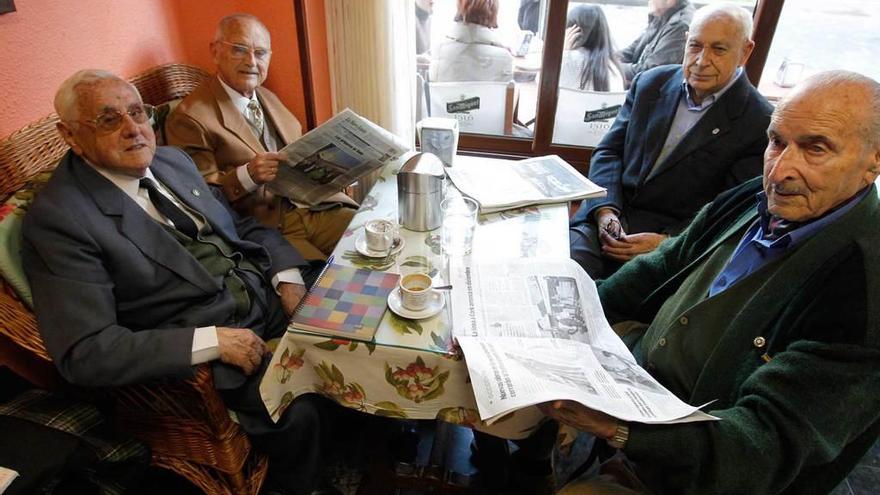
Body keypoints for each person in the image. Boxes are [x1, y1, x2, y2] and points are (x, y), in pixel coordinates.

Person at [546, 69, 880, 494]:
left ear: (874, 160)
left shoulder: (864, 291)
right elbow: (658, 268)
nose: (780, 172)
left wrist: (618, 426)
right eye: (776, 142)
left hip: (686, 469)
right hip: (638, 381)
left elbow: (760, 447)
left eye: (815, 149)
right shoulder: (752, 201)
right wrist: (567, 320)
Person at [23, 70, 336, 495]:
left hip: (268, 297)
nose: (134, 130)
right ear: (71, 136)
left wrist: (287, 280)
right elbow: (86, 352)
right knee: (302, 408)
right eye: (109, 120)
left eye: (137, 113)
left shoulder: (171, 162)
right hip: (215, 347)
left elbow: (243, 227)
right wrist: (213, 342)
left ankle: (374, 442)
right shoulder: (61, 221)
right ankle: (306, 484)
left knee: (355, 315)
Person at [570, 3, 773, 279]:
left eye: (719, 49)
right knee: (560, 281)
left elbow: (728, 210)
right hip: (605, 220)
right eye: (695, 45)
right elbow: (609, 151)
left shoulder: (758, 121)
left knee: (614, 303)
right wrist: (605, 212)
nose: (702, 61)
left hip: (670, 244)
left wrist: (667, 242)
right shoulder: (649, 83)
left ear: (745, 51)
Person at [166, 14, 356, 263]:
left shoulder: (268, 98)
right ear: (215, 52)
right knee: (326, 282)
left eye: (261, 53)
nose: (251, 61)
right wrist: (247, 176)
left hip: (311, 208)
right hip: (266, 228)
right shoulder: (189, 117)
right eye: (239, 50)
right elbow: (198, 199)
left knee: (377, 240)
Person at [430, 0, 514, 82]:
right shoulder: (505, 58)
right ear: (494, 12)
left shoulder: (439, 50)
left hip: (448, 96)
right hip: (486, 96)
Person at [619, 0, 694, 86]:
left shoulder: (679, 26)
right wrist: (608, 59)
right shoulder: (661, 13)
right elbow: (632, 50)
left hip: (654, 92)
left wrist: (614, 68)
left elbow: (651, 72)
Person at [559, 4, 624, 92]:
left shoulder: (570, 59)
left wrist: (563, 52)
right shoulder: (613, 68)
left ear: (572, 32)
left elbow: (543, 82)